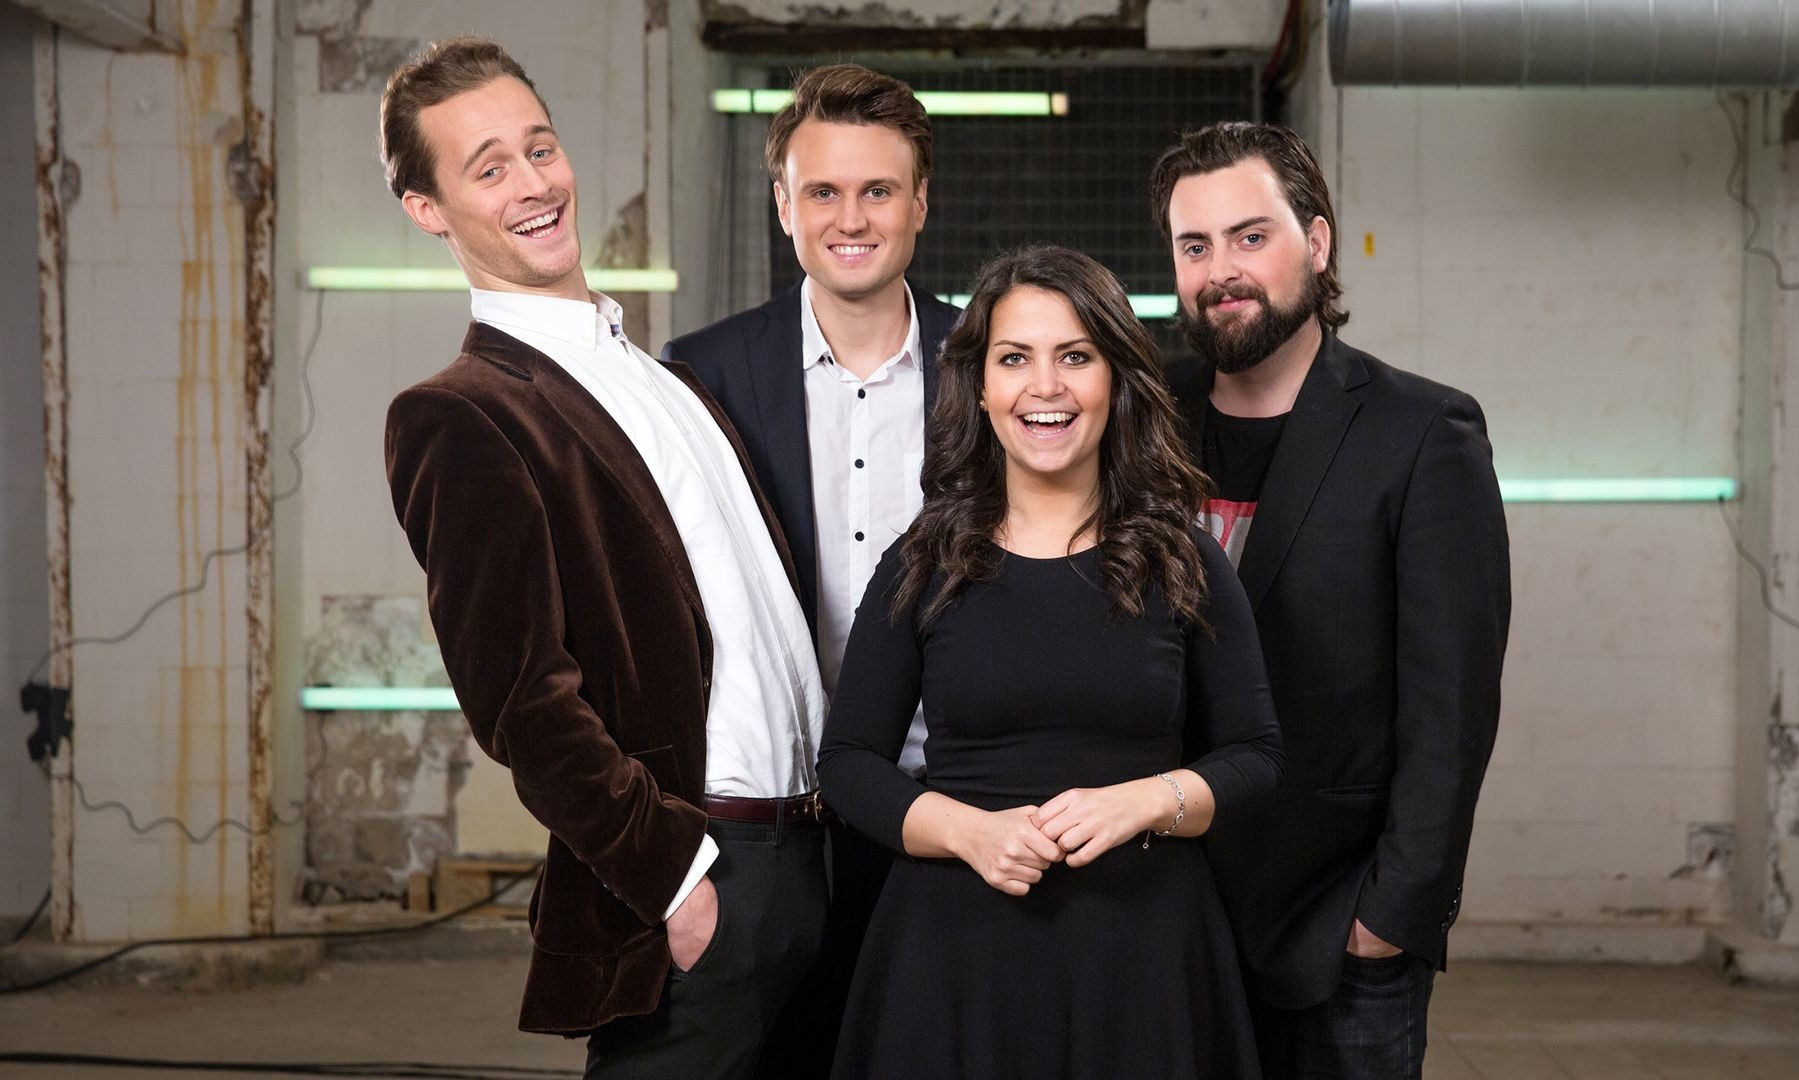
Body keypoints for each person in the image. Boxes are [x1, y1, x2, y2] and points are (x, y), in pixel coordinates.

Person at [378, 36, 828, 1078]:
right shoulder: (462, 416)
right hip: (705, 876)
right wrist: (674, 879)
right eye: (489, 168)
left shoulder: (671, 382)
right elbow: (523, 704)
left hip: (813, 858)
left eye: (540, 149)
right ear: (429, 209)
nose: (534, 185)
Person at [816, 245, 1283, 1080]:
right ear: (980, 386)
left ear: (1116, 379)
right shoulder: (925, 560)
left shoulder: (1183, 559)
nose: (1045, 386)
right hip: (954, 958)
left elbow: (1257, 757)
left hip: (1145, 960)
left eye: (1075, 357)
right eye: (1014, 359)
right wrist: (971, 833)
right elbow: (848, 764)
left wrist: (1147, 801)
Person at [1148, 121, 1512, 1078]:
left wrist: (1392, 915)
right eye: (1194, 246)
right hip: (1161, 916)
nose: (1221, 270)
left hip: (1334, 924)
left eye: (1250, 236)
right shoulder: (1142, 422)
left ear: (1316, 241)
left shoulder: (1422, 433)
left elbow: (1451, 705)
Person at [661, 64, 962, 1076]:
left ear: (920, 202)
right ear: (784, 205)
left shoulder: (992, 365)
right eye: (822, 191)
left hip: (942, 801)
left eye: (878, 190)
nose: (851, 218)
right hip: (771, 818)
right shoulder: (702, 372)